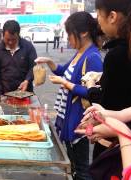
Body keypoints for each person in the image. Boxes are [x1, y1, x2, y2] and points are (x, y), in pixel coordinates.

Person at [35, 11, 103, 180]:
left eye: (70, 34)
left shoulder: (92, 57)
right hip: (68, 115)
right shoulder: (80, 52)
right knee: (72, 162)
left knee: (81, 168)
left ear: (84, 33)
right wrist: (49, 62)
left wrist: (66, 84)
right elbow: (64, 71)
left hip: (79, 118)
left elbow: (93, 93)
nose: (68, 38)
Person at [84, 0, 131, 160]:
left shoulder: (117, 55)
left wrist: (91, 87)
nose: (98, 20)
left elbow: (107, 106)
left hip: (117, 148)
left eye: (99, 14)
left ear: (112, 16)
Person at [0, 20, 37, 97]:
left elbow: (33, 67)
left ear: (18, 35)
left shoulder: (28, 47)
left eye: (13, 39)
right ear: (3, 35)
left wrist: (27, 80)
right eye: (7, 39)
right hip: (6, 94)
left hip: (26, 93)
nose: (10, 42)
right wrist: (0, 95)